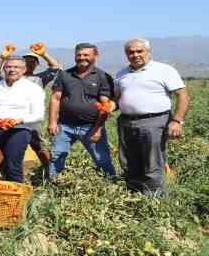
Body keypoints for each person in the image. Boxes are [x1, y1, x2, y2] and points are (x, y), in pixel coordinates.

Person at [114, 38, 189, 196]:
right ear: (126, 54)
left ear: (148, 52)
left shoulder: (164, 70)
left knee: (152, 162)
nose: (135, 55)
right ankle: (134, 195)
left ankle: (155, 201)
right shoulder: (121, 74)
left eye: (139, 51)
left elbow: (182, 95)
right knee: (128, 161)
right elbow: (117, 99)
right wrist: (108, 106)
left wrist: (177, 121)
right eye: (131, 52)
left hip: (154, 121)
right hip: (126, 122)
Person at [47, 43, 116, 180]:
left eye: (86, 55)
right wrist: (52, 122)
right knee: (56, 156)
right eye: (79, 55)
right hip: (65, 126)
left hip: (90, 126)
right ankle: (52, 184)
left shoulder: (103, 77)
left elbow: (105, 105)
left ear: (95, 56)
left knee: (102, 159)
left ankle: (111, 183)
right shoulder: (65, 74)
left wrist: (97, 129)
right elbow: (55, 98)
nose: (82, 57)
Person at [0, 42, 60, 163]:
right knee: (3, 143)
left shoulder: (39, 79)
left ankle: (49, 171)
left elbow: (55, 68)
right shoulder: (9, 77)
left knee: (39, 145)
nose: (30, 63)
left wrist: (44, 54)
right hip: (10, 118)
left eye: (33, 61)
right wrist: (2, 57)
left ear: (37, 64)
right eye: (27, 60)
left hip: (31, 120)